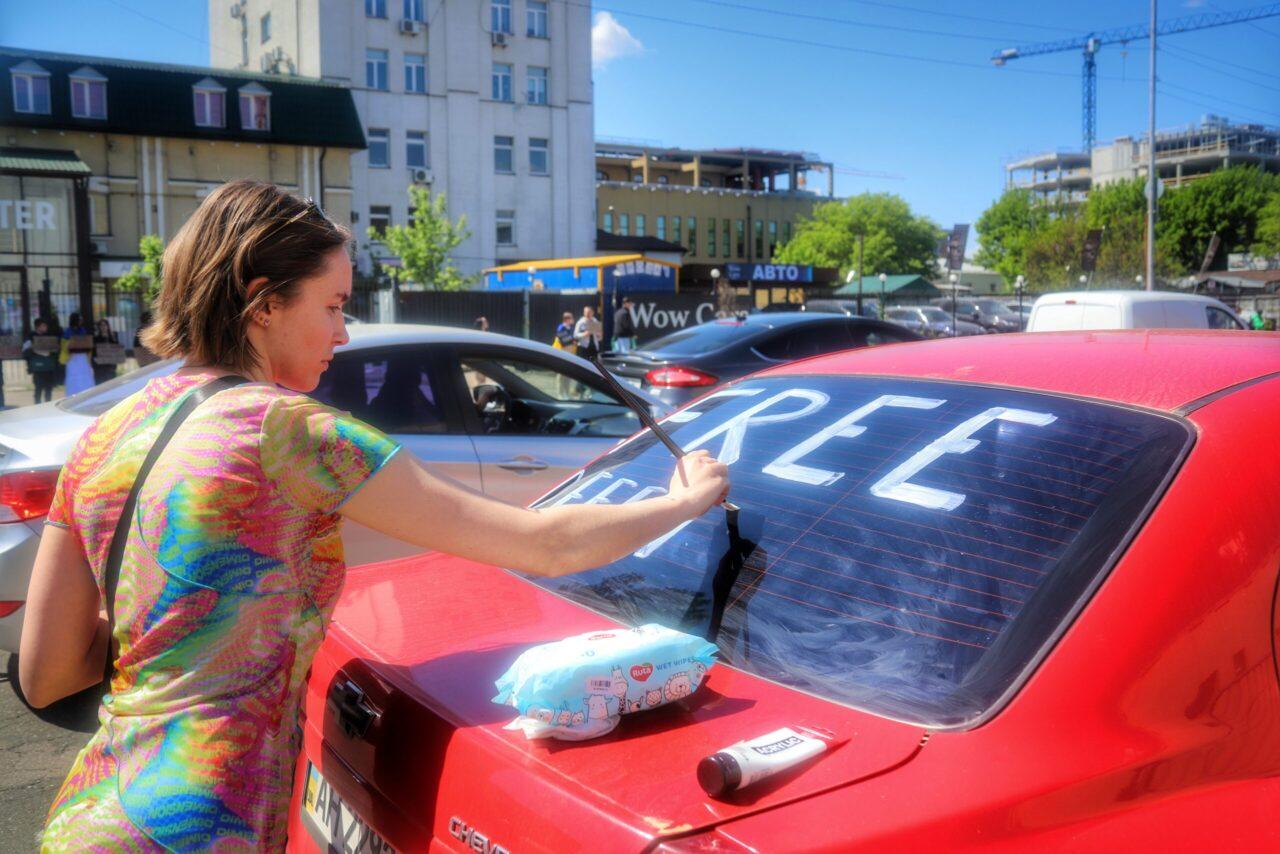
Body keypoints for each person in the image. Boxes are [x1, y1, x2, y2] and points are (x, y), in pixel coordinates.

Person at [18, 180, 728, 852]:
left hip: (90, 811)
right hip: (201, 822)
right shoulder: (292, 432)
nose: (344, 334)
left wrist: (180, 610)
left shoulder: (107, 433)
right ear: (263, 303)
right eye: (332, 306)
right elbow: (541, 546)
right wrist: (684, 500)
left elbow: (46, 675)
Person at [23, 319, 59, 404]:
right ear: (38, 327)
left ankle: (48, 405)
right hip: (38, 368)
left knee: (48, 389)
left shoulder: (49, 336)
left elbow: (55, 350)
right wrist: (34, 348)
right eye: (43, 326)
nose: (45, 327)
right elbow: (25, 351)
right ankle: (37, 405)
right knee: (38, 388)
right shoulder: (31, 337)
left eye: (45, 326)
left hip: (48, 367)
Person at [61, 312, 94, 396]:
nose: (81, 321)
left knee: (84, 377)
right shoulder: (68, 331)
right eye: (79, 319)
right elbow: (64, 345)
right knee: (73, 378)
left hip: (83, 357)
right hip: (72, 358)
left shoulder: (83, 330)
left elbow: (87, 343)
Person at [92, 318, 120, 386]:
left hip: (110, 367)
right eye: (101, 325)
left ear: (108, 326)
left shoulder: (113, 338)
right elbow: (94, 353)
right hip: (100, 368)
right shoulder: (96, 339)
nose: (103, 327)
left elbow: (117, 350)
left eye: (105, 325)